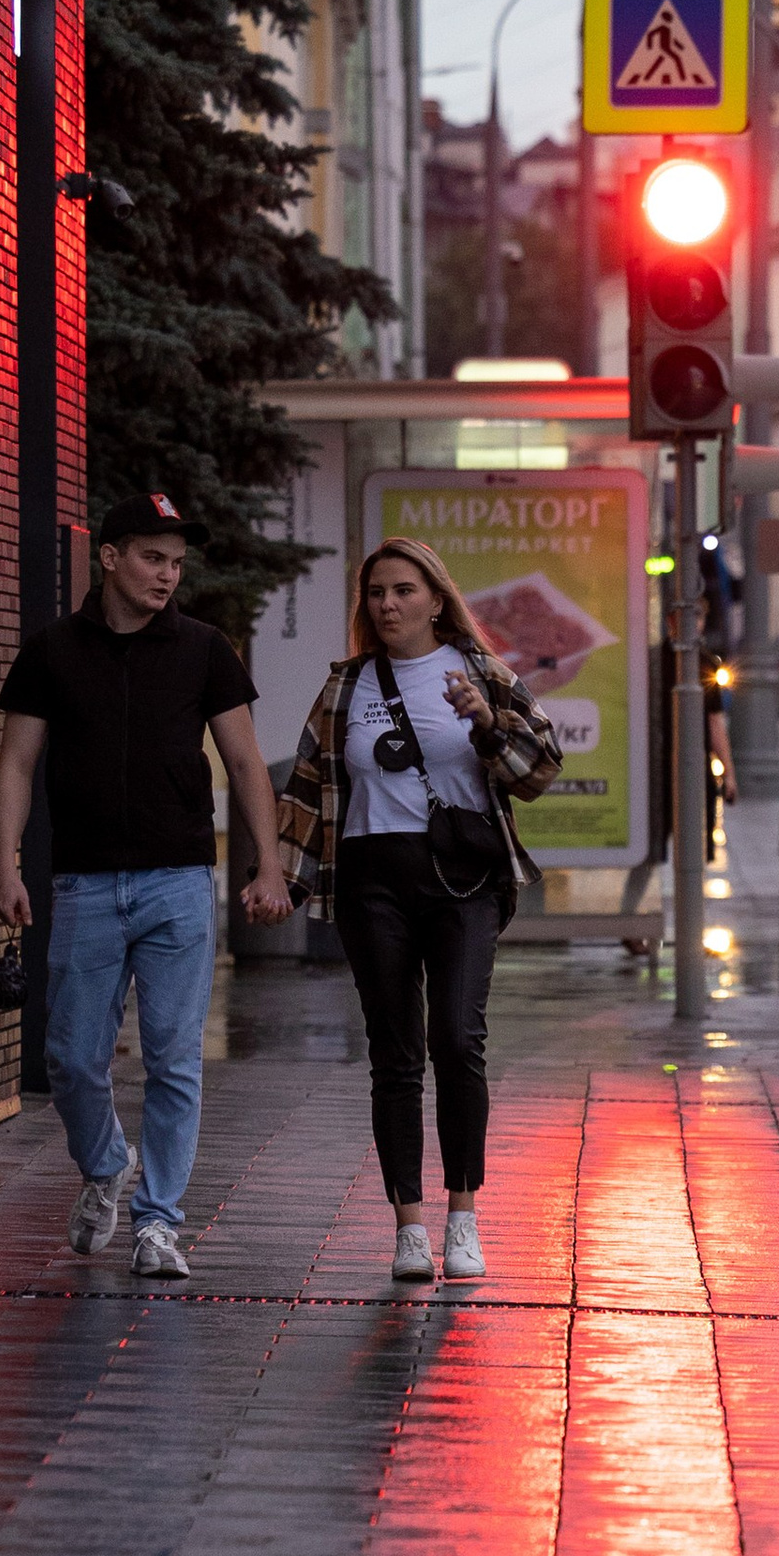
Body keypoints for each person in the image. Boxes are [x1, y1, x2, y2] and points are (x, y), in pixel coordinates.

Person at [0, 492, 291, 1281]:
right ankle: (105, 1165)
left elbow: (245, 763)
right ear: (110, 557)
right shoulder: (51, 652)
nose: (167, 575)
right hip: (83, 885)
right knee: (71, 1059)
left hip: (179, 882)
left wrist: (268, 863)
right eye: (153, 558)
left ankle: (158, 1223)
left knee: (173, 1059)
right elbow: (15, 765)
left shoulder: (203, 649)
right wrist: (4, 864)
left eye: (177, 564)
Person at [274, 540, 562, 1288]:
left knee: (458, 1038)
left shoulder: (481, 672)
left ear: (436, 598)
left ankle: (463, 1215)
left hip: (463, 880)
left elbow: (539, 771)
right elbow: (306, 787)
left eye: (404, 590)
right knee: (395, 1051)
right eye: (377, 593)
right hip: (371, 878)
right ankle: (408, 1227)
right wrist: (282, 882)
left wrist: (487, 725)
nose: (388, 604)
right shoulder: (346, 685)